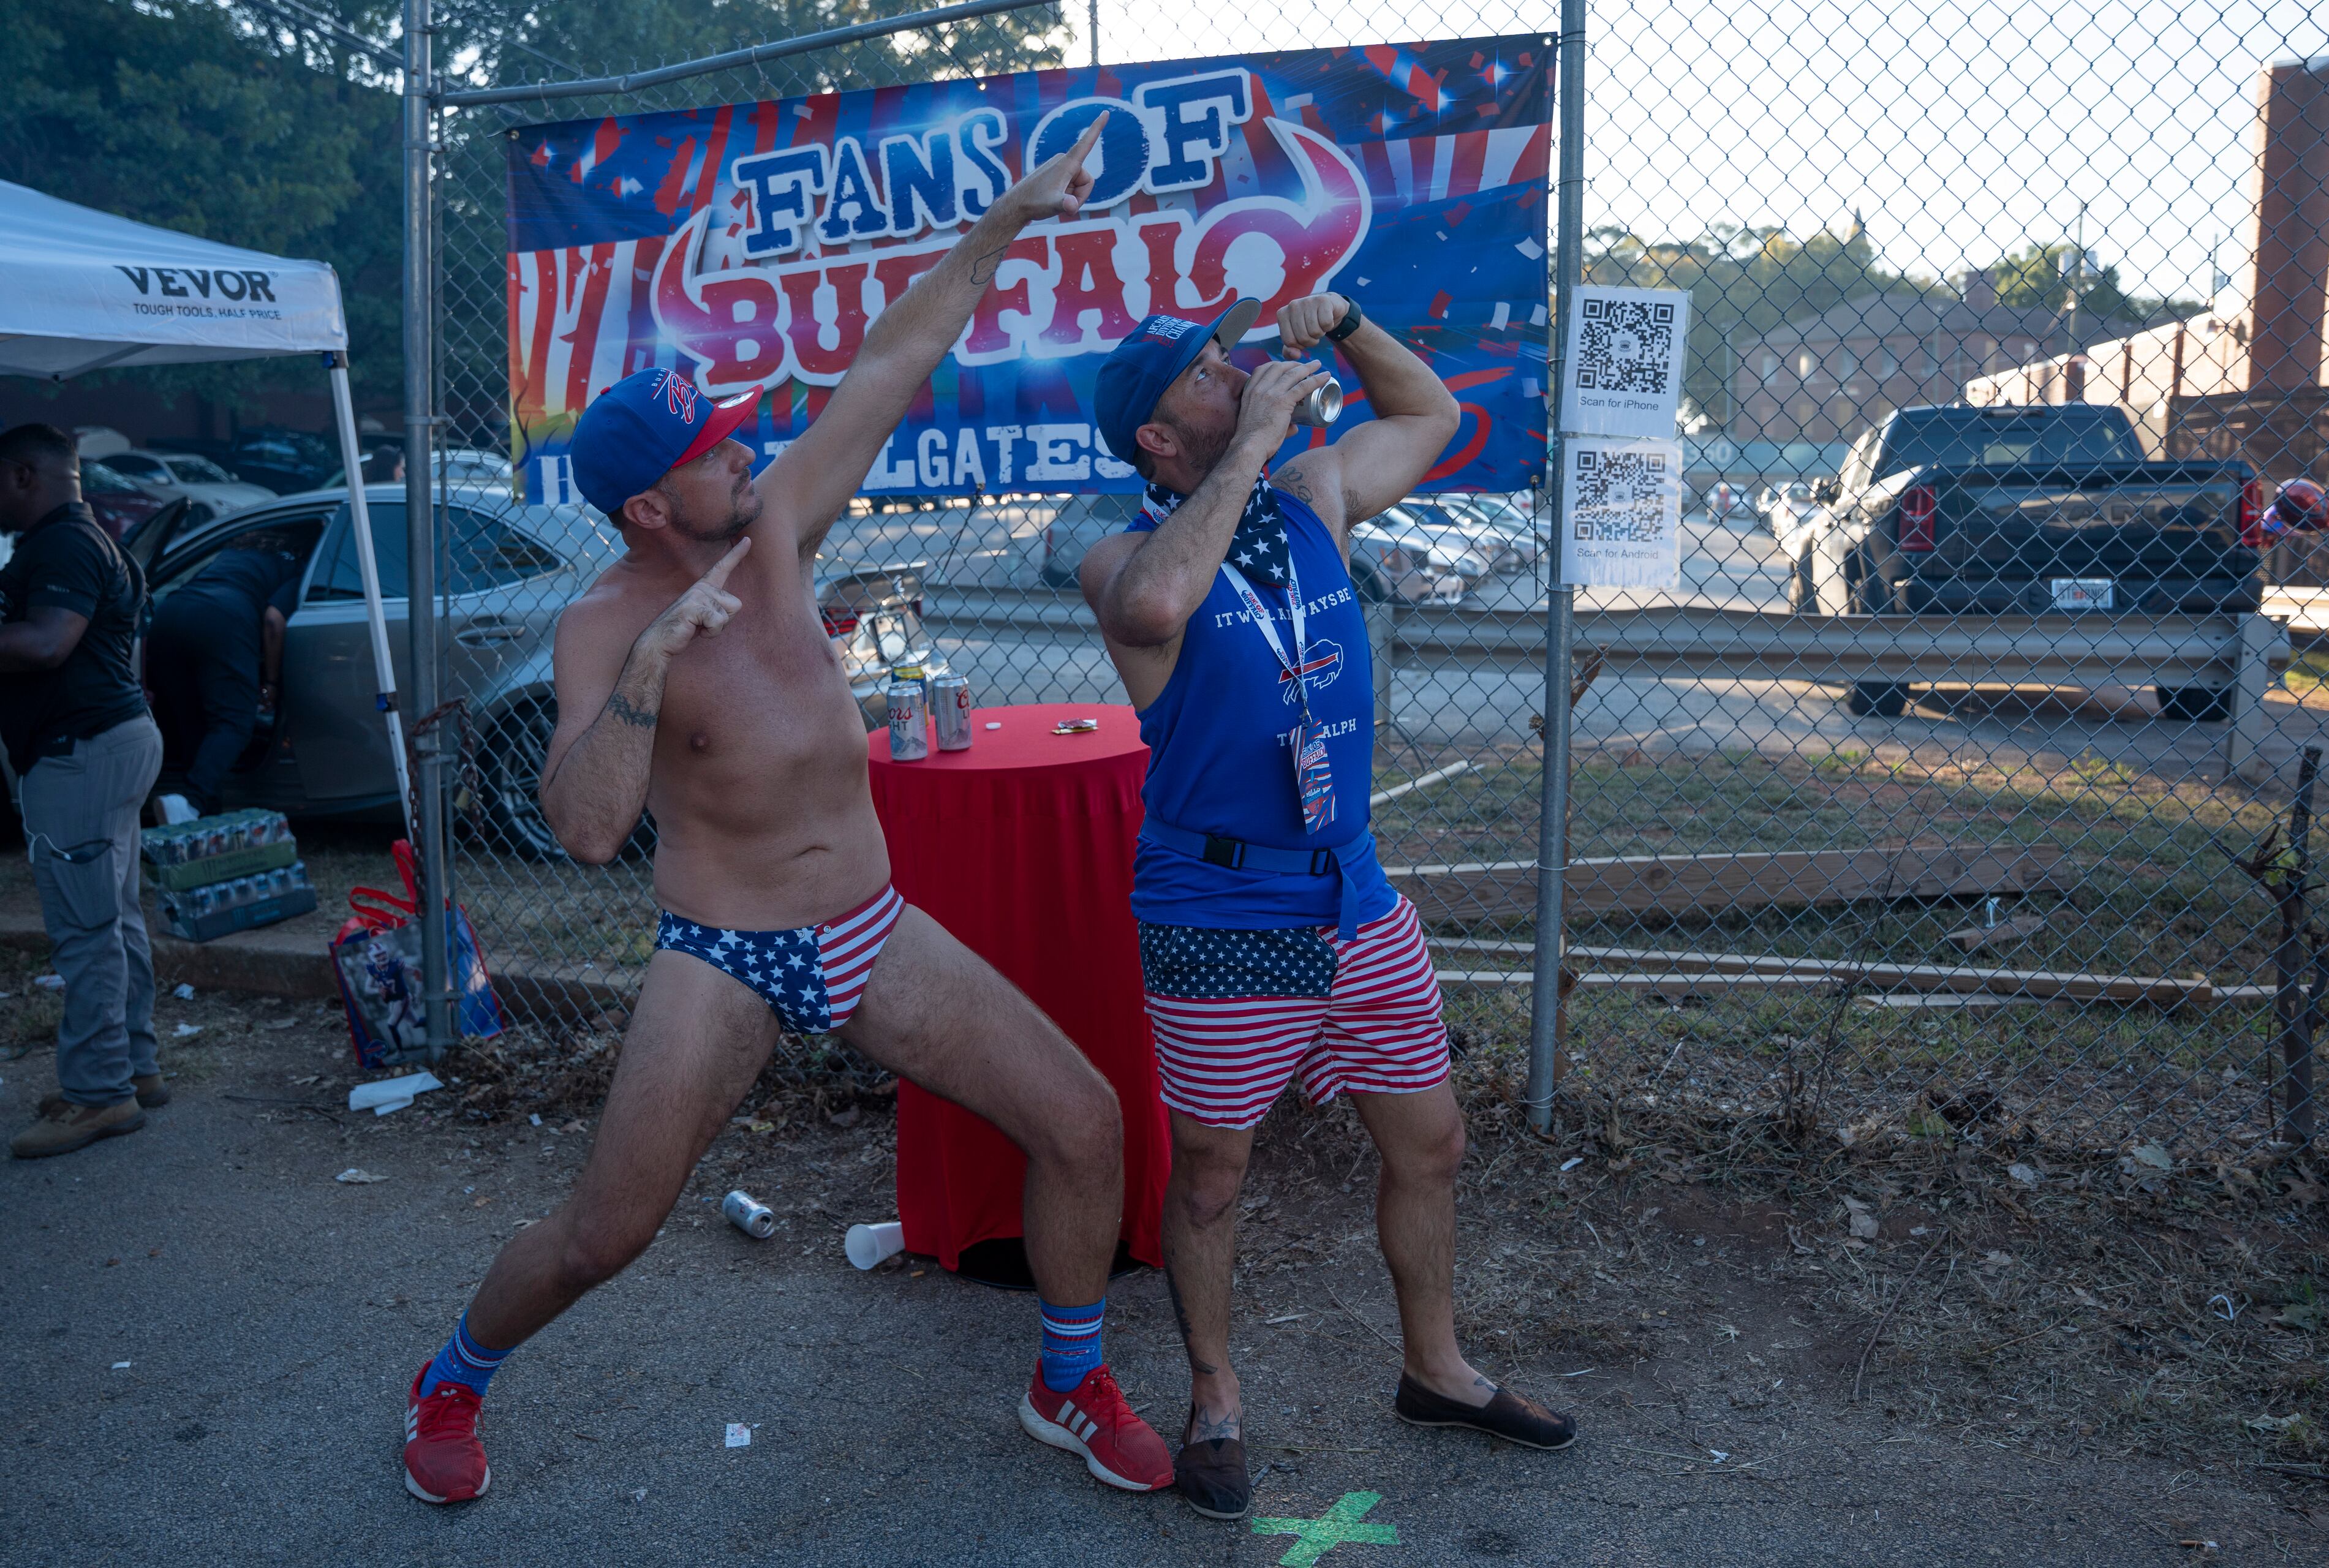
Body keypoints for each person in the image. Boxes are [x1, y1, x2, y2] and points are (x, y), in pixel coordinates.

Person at [399, 116, 1175, 1507]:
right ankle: (450, 1376)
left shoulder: (774, 526)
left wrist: (1007, 217)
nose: (741, 445)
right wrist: (645, 672)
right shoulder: (600, 625)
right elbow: (582, 824)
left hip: (871, 925)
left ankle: (1065, 1377)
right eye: (710, 445)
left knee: (1083, 1118)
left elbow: (892, 357)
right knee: (604, 1229)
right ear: (648, 506)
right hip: (724, 951)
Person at [1079, 296, 1575, 1519]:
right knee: (1211, 1174)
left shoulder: (1314, 494)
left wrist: (1348, 323)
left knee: (1433, 1142)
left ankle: (1436, 1368)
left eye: (1229, 359)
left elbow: (1433, 413)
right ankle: (1216, 1395)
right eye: (1205, 375)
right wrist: (1249, 439)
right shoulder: (1120, 551)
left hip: (1353, 894)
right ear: (1156, 437)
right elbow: (1152, 611)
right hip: (1219, 910)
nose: (1236, 372)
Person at [0, 423, 165, 1159]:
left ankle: (101, 1095)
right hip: (111, 739)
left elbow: (47, 642)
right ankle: (134, 1065)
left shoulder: (64, 545)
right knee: (115, 913)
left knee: (88, 927)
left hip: (82, 752)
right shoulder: (100, 537)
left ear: (26, 476)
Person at [146, 525, 306, 818]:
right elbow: (274, 620)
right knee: (234, 721)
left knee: (193, 725)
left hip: (169, 615)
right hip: (224, 620)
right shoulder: (296, 566)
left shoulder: (234, 553)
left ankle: (203, 817)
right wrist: (270, 682)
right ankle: (190, 802)